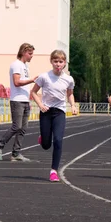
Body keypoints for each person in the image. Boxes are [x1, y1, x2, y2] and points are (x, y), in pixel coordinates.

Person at [30, 50, 78, 182]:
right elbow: (33, 92)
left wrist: (73, 105)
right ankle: (43, 138)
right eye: (55, 61)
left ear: (64, 63)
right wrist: (40, 104)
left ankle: (53, 171)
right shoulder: (44, 77)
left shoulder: (68, 79)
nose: (58, 64)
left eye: (61, 62)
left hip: (59, 112)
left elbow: (70, 94)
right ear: (51, 62)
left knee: (58, 140)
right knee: (46, 145)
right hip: (46, 111)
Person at [0, 43, 38, 161]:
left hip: (24, 100)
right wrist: (31, 80)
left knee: (23, 128)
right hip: (17, 100)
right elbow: (17, 82)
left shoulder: (25, 66)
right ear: (23, 52)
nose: (31, 56)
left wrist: (29, 99)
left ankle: (16, 153)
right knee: (16, 126)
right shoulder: (16, 65)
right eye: (30, 53)